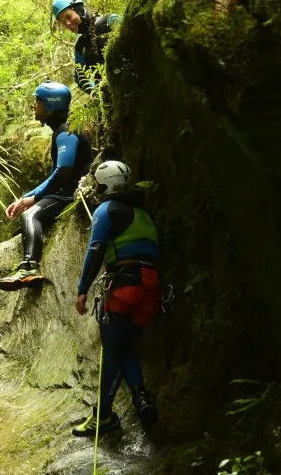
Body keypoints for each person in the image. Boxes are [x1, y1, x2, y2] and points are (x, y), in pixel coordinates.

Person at [72, 160, 161, 437]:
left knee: (112, 348)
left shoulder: (106, 209)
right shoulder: (144, 212)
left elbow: (96, 247)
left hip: (125, 285)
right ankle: (141, 398)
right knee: (125, 349)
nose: (97, 190)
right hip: (151, 287)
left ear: (106, 185)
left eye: (99, 185)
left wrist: (83, 287)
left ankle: (104, 416)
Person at [0, 82, 92, 291]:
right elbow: (56, 174)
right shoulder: (64, 128)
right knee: (27, 214)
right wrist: (27, 197)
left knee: (30, 216)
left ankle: (30, 267)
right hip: (64, 192)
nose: (34, 106)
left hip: (70, 194)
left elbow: (63, 172)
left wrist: (34, 199)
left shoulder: (65, 131)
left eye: (37, 101)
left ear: (50, 106)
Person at [51, 0, 122, 96]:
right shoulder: (80, 46)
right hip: (113, 99)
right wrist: (95, 93)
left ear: (78, 9)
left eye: (68, 16)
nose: (67, 23)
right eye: (63, 22)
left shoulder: (108, 20)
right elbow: (80, 77)